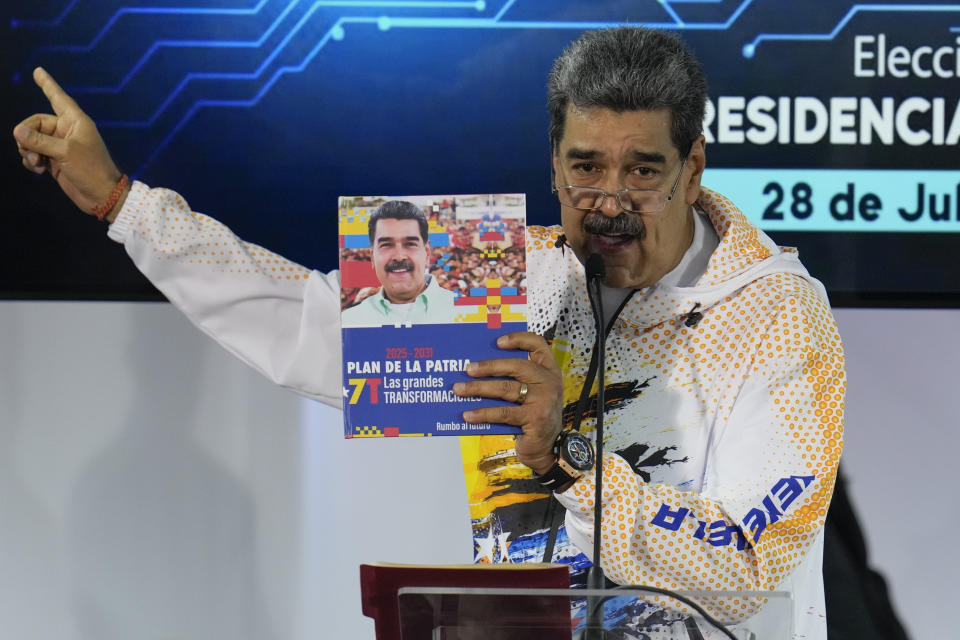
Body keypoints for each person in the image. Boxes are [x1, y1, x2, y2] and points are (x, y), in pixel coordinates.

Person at [13, 27, 844, 638]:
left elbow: (747, 568)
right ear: (553, 162)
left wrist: (566, 459)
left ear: (694, 166)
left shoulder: (773, 315)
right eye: (586, 166)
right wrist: (123, 204)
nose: (610, 197)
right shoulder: (511, 276)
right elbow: (304, 323)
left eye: (644, 169)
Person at [341, 199, 457, 326]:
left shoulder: (467, 313)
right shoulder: (350, 321)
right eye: (387, 245)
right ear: (372, 257)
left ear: (427, 253)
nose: (399, 256)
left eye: (410, 244)